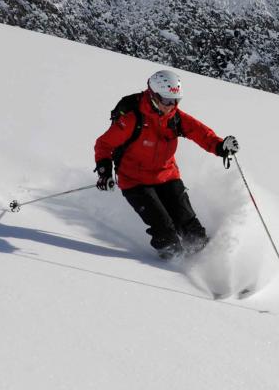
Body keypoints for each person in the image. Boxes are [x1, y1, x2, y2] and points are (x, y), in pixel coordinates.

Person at [94, 70, 239, 260]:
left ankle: (210, 264)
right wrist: (104, 171)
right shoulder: (132, 118)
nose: (172, 106)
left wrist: (220, 146)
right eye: (168, 101)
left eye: (176, 100)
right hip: (135, 182)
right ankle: (173, 271)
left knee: (189, 224)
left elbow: (200, 133)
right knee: (165, 231)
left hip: (167, 176)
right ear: (153, 95)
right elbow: (104, 144)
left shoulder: (175, 117)